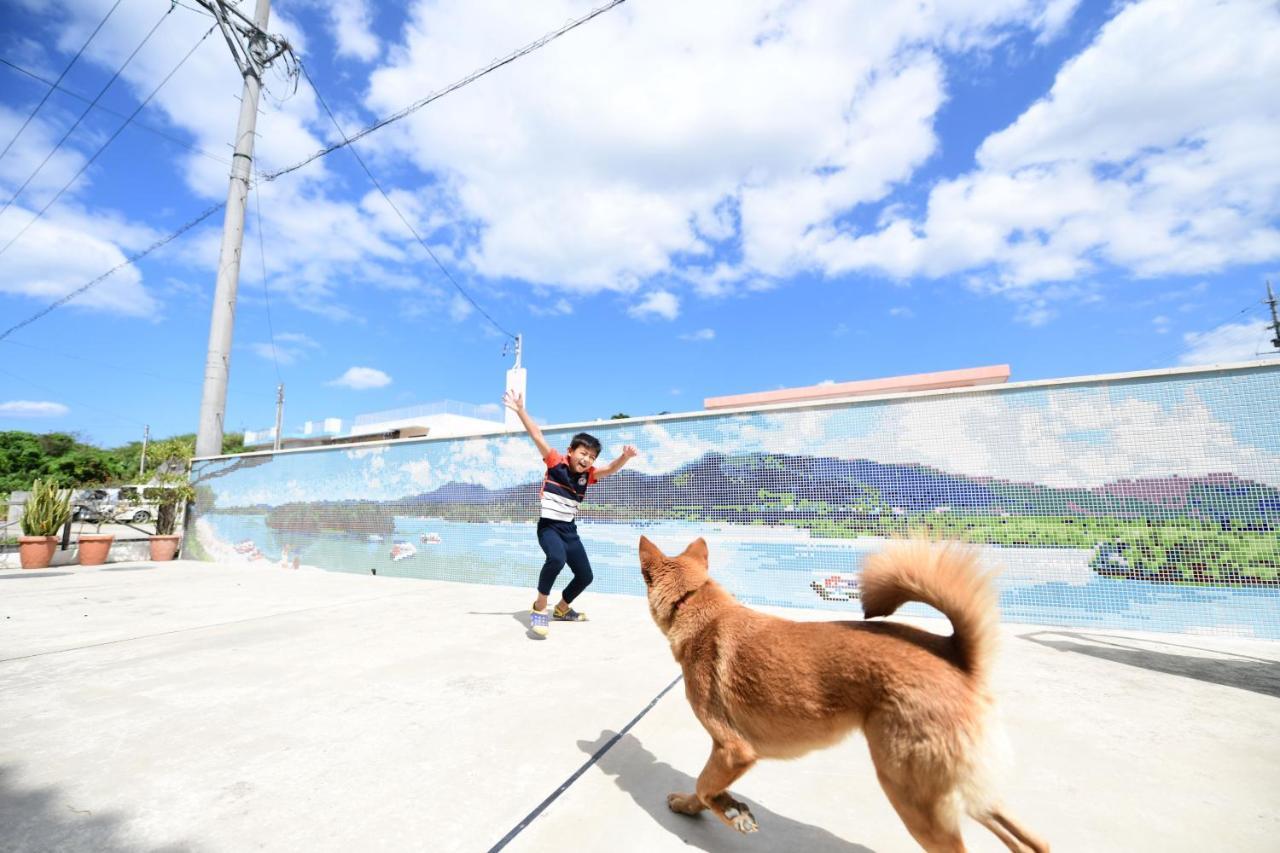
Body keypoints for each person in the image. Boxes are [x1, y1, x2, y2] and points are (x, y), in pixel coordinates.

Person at [504, 390, 637, 638]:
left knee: (585, 575)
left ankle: (563, 609)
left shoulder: (588, 476)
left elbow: (610, 468)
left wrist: (625, 457)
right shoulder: (555, 462)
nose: (587, 459)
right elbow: (536, 435)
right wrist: (521, 410)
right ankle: (540, 607)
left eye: (591, 456)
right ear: (570, 451)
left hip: (569, 530)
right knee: (556, 558)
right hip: (549, 528)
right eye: (583, 453)